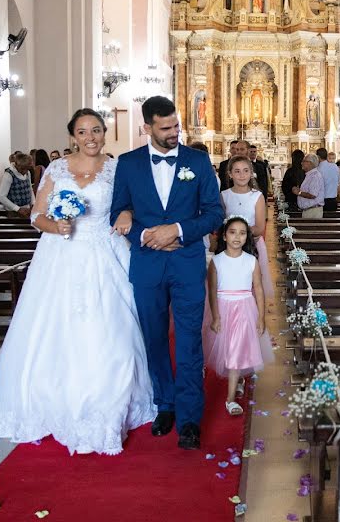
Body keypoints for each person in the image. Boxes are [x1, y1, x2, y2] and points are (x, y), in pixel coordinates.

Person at [0, 109, 156, 455]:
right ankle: (52, 399)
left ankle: (109, 400)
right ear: (73, 135)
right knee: (54, 328)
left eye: (97, 130)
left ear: (105, 132)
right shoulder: (58, 169)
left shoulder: (118, 169)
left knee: (112, 331)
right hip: (61, 254)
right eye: (83, 131)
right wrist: (53, 226)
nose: (91, 137)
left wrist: (126, 213)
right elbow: (36, 214)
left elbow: (131, 207)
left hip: (105, 254)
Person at [110, 96, 224, 451]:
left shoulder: (197, 160)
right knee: (154, 338)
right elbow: (117, 213)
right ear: (147, 128)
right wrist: (146, 235)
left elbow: (213, 214)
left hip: (187, 263)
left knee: (190, 340)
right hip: (147, 265)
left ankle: (190, 418)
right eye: (166, 128)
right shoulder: (127, 164)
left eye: (176, 126)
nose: (175, 132)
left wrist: (176, 229)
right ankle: (165, 404)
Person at [204, 216, 273, 415]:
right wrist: (216, 316)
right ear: (224, 236)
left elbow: (258, 289)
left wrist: (261, 317)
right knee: (231, 350)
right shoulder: (216, 262)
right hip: (224, 309)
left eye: (242, 233)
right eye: (232, 232)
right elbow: (212, 290)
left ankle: (230, 399)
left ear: (247, 238)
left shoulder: (251, 261)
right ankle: (238, 381)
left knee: (238, 351)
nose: (237, 237)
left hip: (244, 309)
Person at [222, 156, 274, 300]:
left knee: (251, 288)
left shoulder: (257, 196)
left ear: (251, 173)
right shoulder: (224, 196)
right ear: (230, 174)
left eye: (246, 171)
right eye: (237, 171)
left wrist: (238, 234)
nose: (242, 175)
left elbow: (259, 227)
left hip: (252, 246)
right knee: (231, 287)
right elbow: (220, 224)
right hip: (229, 249)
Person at [0, 152, 35, 218]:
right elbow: (1, 197)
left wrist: (33, 204)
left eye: (27, 168)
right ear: (17, 164)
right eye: (22, 168)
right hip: (13, 211)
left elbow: (30, 189)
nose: (25, 171)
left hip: (27, 210)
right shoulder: (9, 174)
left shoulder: (27, 172)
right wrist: (18, 209)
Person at [293, 153, 324, 219]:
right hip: (309, 210)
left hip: (313, 211)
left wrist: (299, 192)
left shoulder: (315, 176)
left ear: (310, 163)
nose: (301, 163)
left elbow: (313, 195)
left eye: (304, 161)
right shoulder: (309, 175)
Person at [316, 147, 340, 211]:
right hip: (333, 200)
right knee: (332, 220)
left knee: (322, 220)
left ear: (318, 157)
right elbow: (338, 183)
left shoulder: (318, 169)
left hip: (322, 201)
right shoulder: (335, 167)